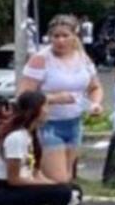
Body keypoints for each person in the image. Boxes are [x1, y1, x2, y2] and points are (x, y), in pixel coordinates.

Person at [16, 14, 102, 184]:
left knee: (68, 176)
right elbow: (23, 96)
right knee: (58, 179)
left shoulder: (83, 58)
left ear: (74, 37)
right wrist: (53, 98)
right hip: (48, 124)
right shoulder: (41, 59)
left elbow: (95, 87)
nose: (60, 41)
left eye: (65, 36)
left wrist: (95, 104)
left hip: (74, 122)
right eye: (56, 36)